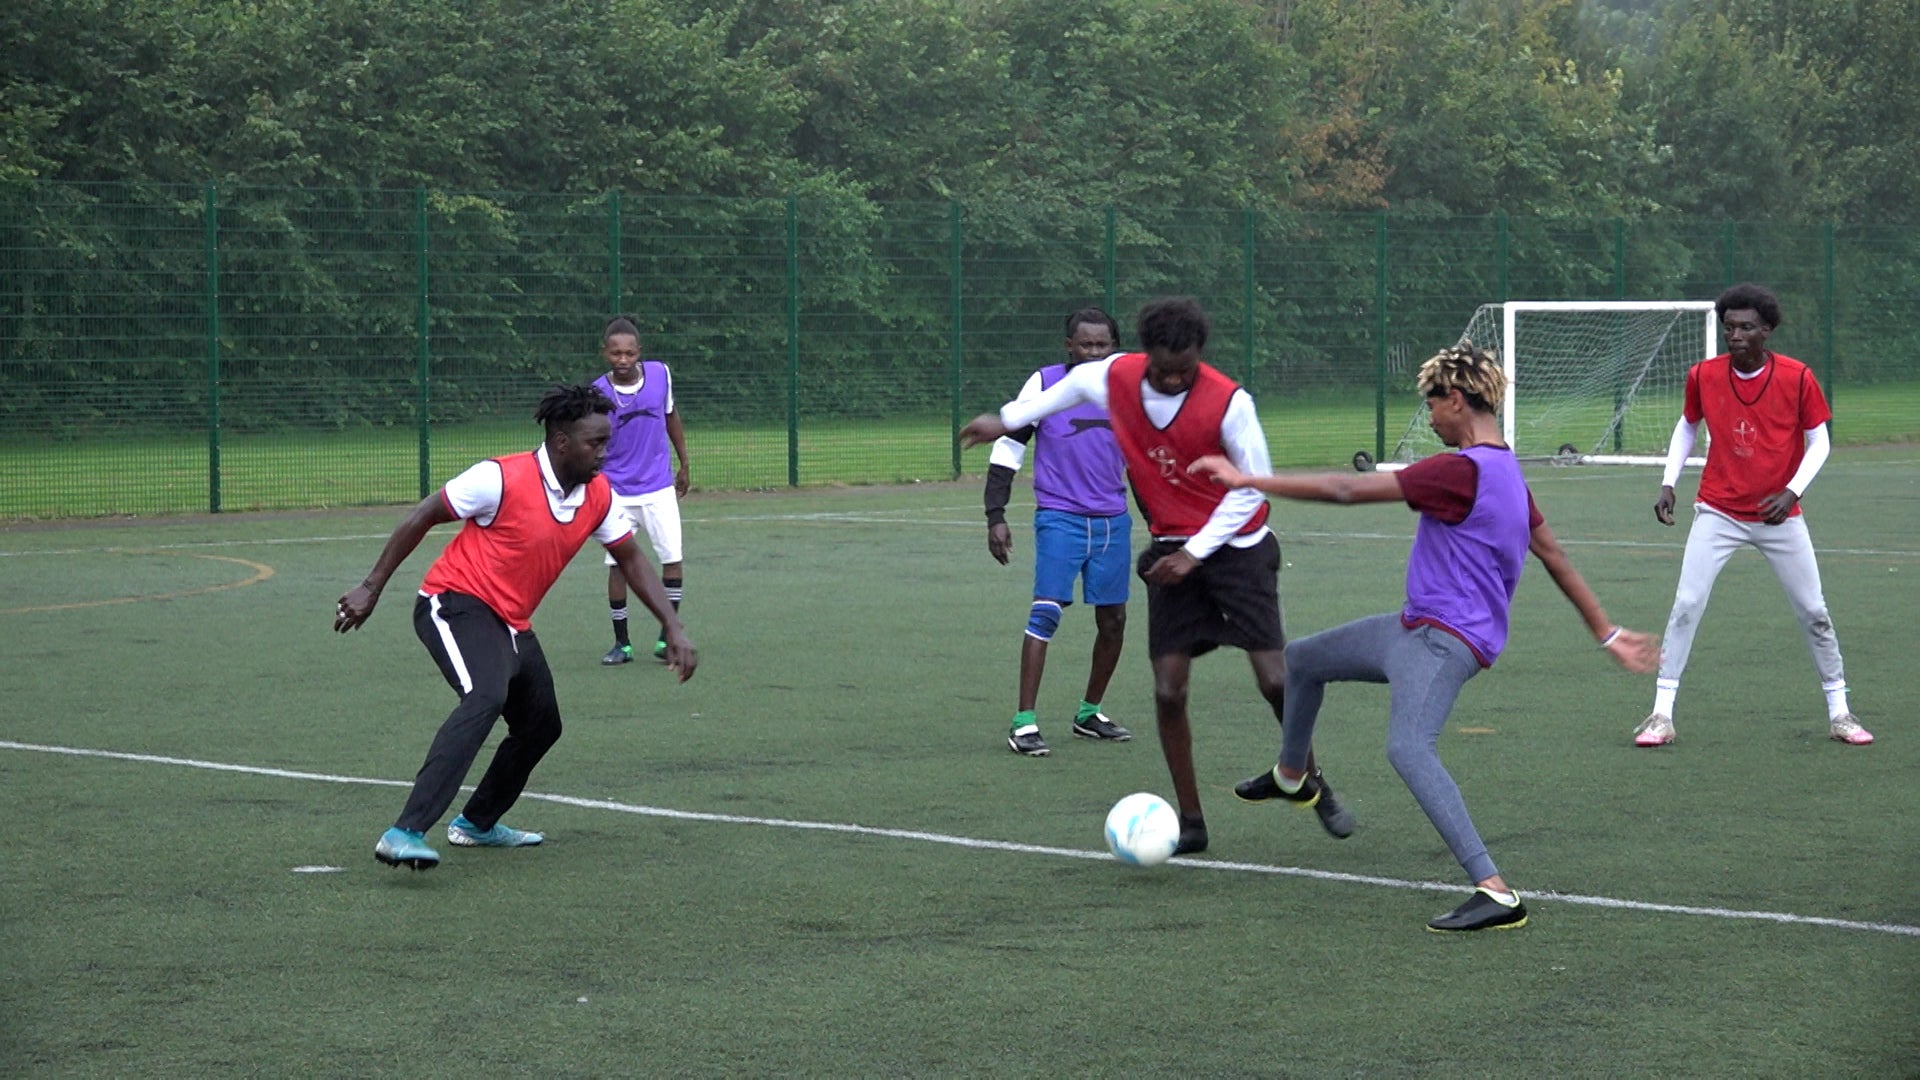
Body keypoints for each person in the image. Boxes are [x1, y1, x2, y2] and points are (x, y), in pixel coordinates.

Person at [1189, 343, 1660, 932]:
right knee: (1304, 659)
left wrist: (1246, 478)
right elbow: (1554, 554)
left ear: (1456, 400)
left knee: (1409, 749)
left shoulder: (1458, 471)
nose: (1429, 417)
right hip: (1412, 628)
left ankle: (1495, 891)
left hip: (1445, 642)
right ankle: (1292, 776)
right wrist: (1606, 631)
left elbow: (1346, 491)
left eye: (1431, 405)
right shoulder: (1505, 469)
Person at [961, 297, 1350, 856]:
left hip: (1238, 547)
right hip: (1174, 551)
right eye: (1162, 366)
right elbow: (1058, 396)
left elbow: (1253, 489)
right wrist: (1006, 420)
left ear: (1200, 356)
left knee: (1274, 681)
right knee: (1169, 690)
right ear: (1146, 353)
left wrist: (1194, 555)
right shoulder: (1115, 375)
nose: (1170, 378)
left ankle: (1309, 781)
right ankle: (1191, 822)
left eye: (1183, 368)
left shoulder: (1229, 403)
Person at [336, 384, 697, 872]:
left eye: (607, 442)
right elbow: (424, 514)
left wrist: (671, 625)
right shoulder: (499, 478)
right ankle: (405, 831)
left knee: (541, 725)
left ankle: (477, 823)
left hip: (511, 620)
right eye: (596, 443)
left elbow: (630, 558)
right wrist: (370, 588)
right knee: (485, 696)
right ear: (562, 441)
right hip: (452, 603)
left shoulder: (599, 495)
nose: (604, 453)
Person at [1635, 283, 1871, 747]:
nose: (1736, 334)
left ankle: (1840, 711)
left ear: (1767, 330)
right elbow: (1687, 427)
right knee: (1686, 605)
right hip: (1718, 510)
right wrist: (1668, 482)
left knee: (1814, 611)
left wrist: (1791, 491)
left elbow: (1819, 441)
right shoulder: (1703, 374)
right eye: (1730, 327)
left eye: (1746, 327)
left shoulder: (1797, 377)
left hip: (1780, 516)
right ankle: (1661, 715)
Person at [983, 307, 1134, 756]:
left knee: (1114, 620)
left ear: (1114, 348)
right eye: (1084, 344)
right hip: (1060, 518)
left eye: (1102, 345)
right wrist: (996, 514)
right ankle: (1024, 722)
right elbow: (1009, 444)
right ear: (1068, 346)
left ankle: (1090, 713)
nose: (1093, 352)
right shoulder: (1045, 383)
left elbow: (1142, 462)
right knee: (1046, 613)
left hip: (1112, 522)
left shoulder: (1124, 390)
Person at [593, 315, 692, 666]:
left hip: (658, 487)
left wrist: (684, 462)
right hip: (615, 492)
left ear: (639, 353)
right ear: (605, 353)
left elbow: (671, 416)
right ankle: (622, 644)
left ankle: (668, 636)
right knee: (617, 565)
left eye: (629, 353)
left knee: (671, 558)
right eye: (616, 353)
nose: (623, 359)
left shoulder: (660, 375)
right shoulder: (597, 393)